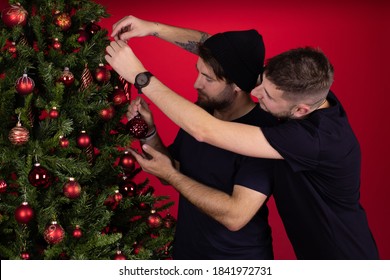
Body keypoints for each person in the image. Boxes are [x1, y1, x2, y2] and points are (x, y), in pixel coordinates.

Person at [106, 18, 379, 259]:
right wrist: (152, 28)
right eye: (261, 81)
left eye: (268, 96)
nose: (256, 91)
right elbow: (211, 47)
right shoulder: (306, 89)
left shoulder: (306, 138)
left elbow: (205, 131)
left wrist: (140, 76)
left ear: (300, 111)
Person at [109, 16, 279, 259]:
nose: (196, 84)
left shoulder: (263, 134)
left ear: (238, 86)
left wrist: (138, 74)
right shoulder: (201, 111)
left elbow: (235, 216)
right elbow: (175, 170)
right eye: (198, 72)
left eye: (208, 78)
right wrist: (150, 132)